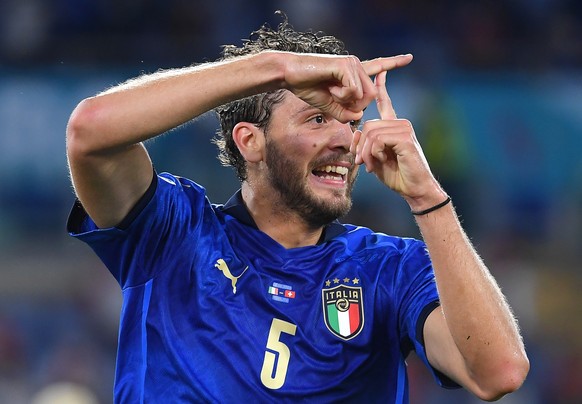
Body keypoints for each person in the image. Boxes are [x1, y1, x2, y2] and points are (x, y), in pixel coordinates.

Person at [66, 15, 529, 403]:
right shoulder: (173, 232)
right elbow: (90, 132)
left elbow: (499, 373)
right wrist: (276, 68)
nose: (345, 140)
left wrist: (428, 199)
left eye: (351, 123)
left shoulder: (389, 268)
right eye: (317, 118)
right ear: (250, 141)